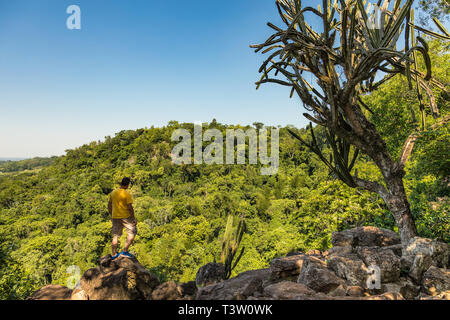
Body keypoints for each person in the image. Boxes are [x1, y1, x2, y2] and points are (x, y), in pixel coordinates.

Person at [108, 177, 137, 259]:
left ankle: (114, 254)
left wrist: (111, 213)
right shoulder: (127, 194)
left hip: (115, 217)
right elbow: (130, 207)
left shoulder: (113, 193)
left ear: (121, 183)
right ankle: (124, 251)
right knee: (132, 233)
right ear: (127, 185)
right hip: (126, 217)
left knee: (115, 235)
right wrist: (133, 218)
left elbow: (109, 205)